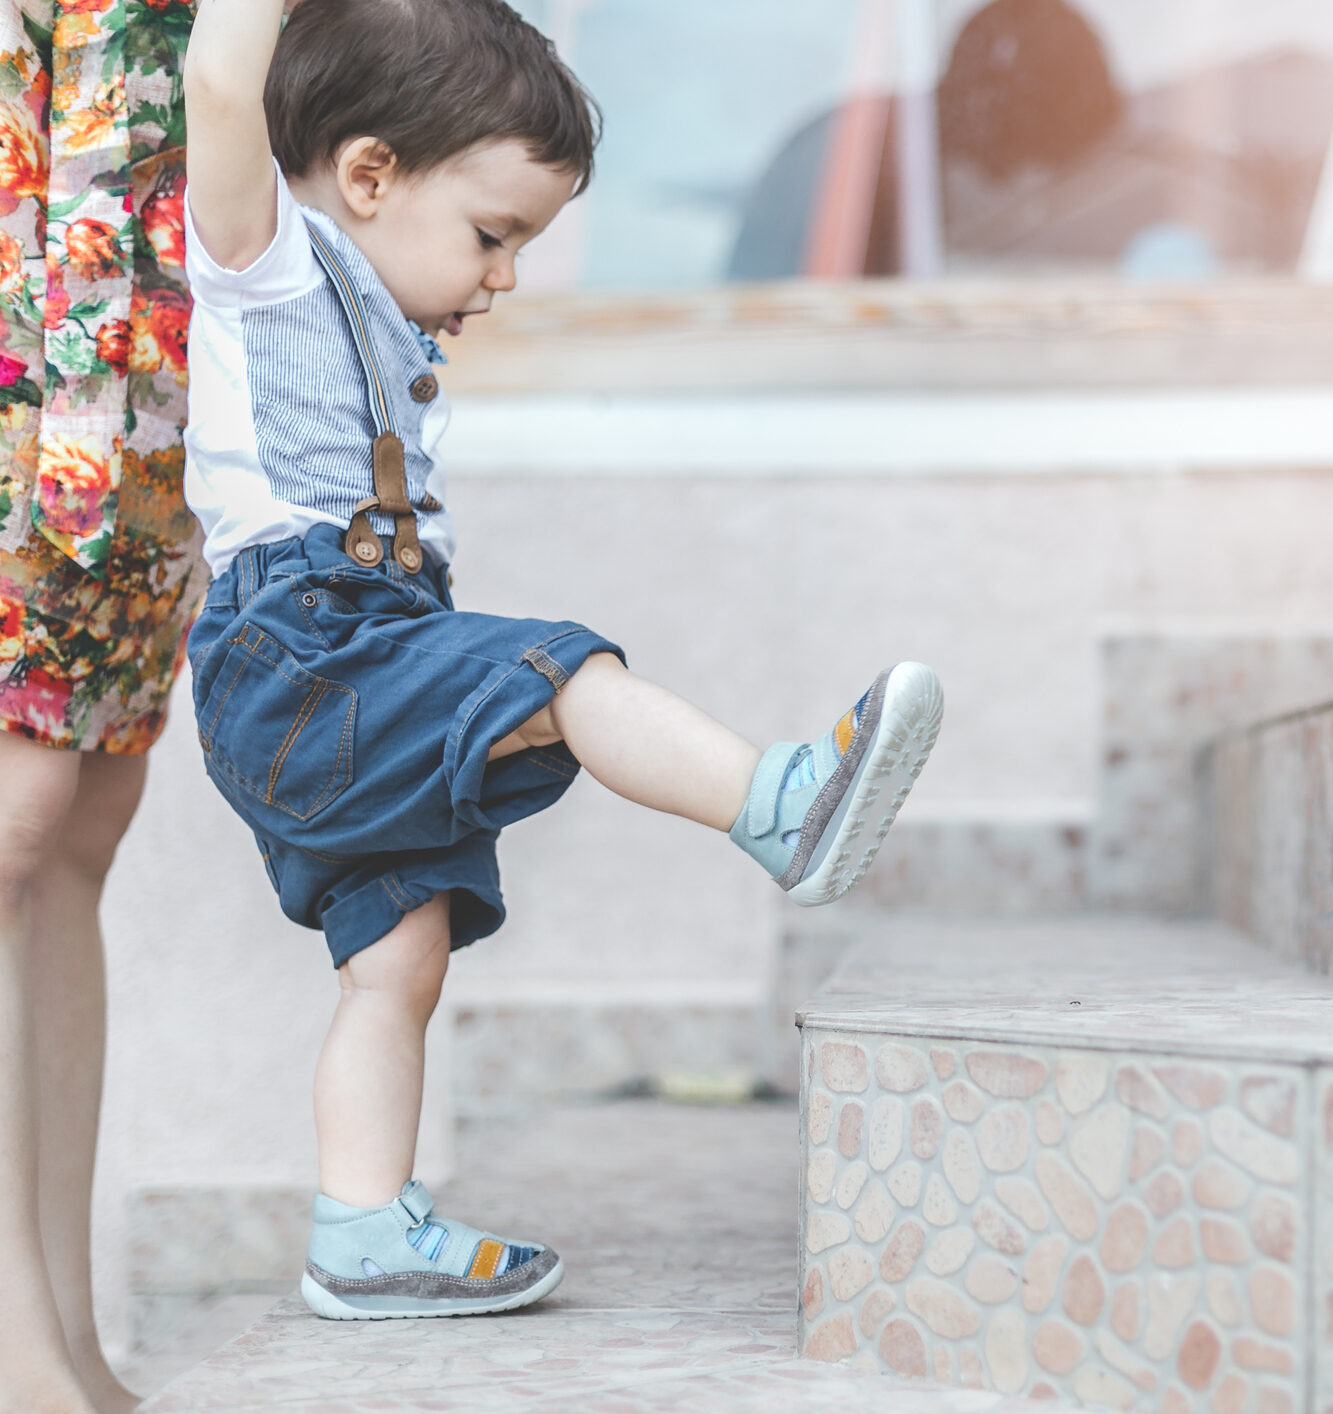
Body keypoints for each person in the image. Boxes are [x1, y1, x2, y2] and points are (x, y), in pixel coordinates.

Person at [182, 0, 944, 1320]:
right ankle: (779, 805)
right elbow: (217, 76)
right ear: (366, 176)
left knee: (397, 954)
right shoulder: (269, 261)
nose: (507, 277)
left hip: (351, 660)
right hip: (303, 651)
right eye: (492, 236)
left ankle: (360, 1228)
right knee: (564, 673)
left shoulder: (377, 304)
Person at [0, 0, 206, 1408]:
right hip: (40, 363)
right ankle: (19, 1350)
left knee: (80, 828)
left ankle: (66, 1330)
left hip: (138, 388)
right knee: (16, 822)